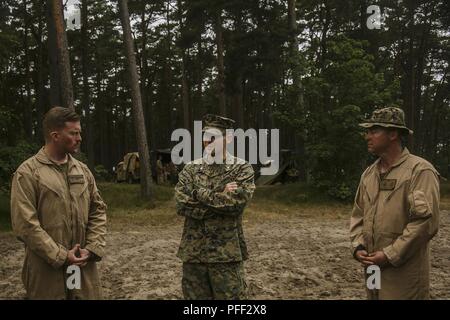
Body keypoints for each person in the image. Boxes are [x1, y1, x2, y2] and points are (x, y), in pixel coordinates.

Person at [10, 106, 107, 299]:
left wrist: (92, 248)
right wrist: (61, 256)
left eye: (80, 133)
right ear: (55, 135)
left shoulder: (82, 171)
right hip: (45, 270)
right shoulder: (28, 173)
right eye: (74, 133)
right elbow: (25, 224)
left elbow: (98, 210)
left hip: (81, 266)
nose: (79, 138)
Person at [350, 106, 440, 299]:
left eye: (374, 131)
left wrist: (389, 255)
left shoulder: (420, 171)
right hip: (372, 270)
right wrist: (358, 247)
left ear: (393, 134)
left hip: (404, 274)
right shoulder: (369, 174)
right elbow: (358, 215)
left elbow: (424, 224)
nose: (367, 136)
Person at [175, 114, 255, 299]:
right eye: (205, 136)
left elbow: (235, 205)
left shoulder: (241, 168)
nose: (208, 141)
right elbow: (181, 204)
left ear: (228, 138)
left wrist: (197, 193)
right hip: (194, 255)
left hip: (226, 255)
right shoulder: (191, 169)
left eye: (214, 136)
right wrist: (220, 195)